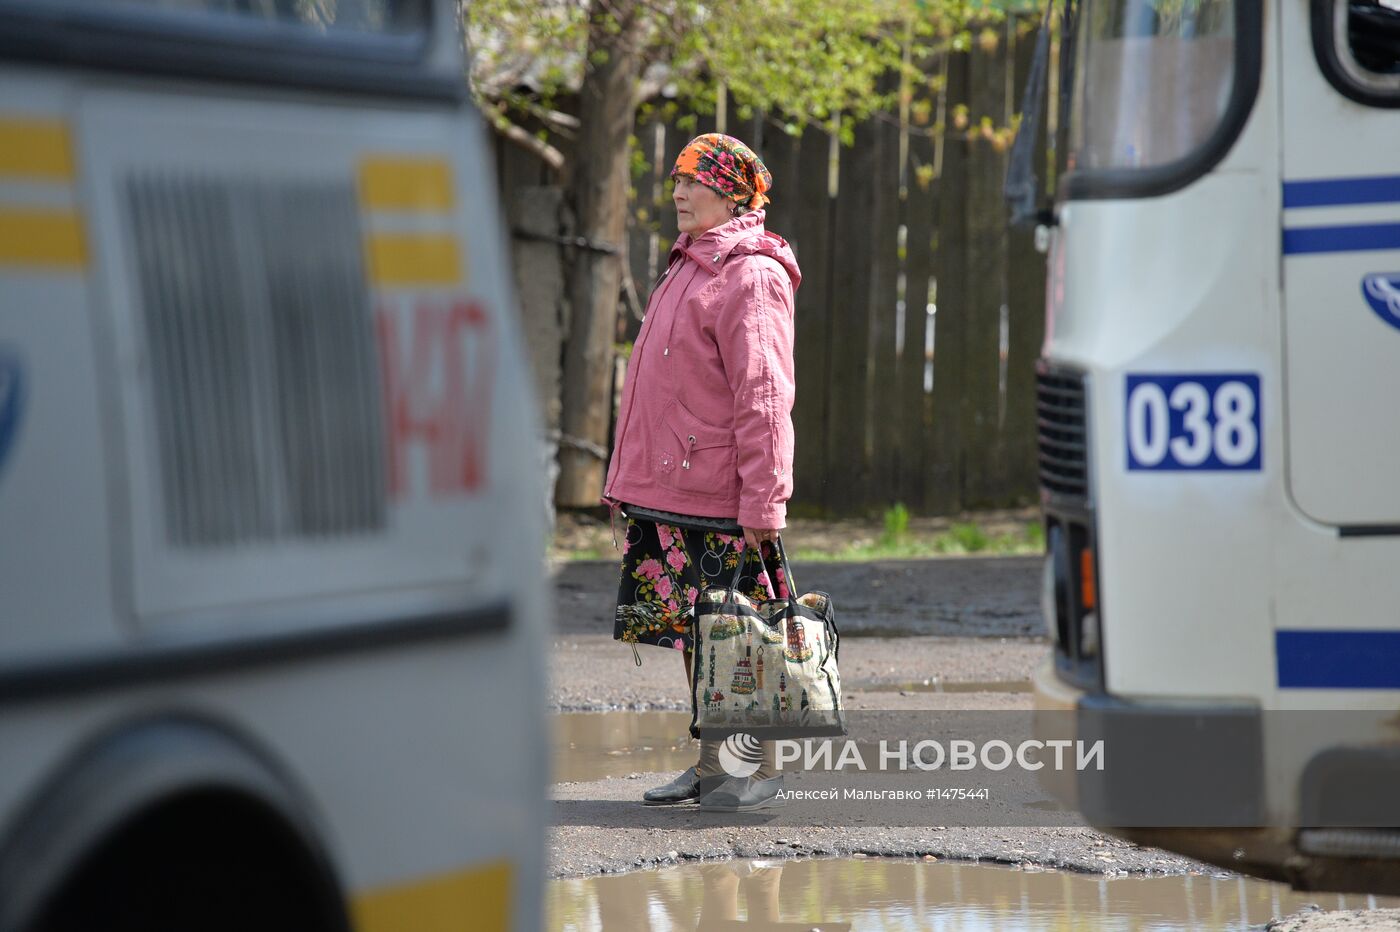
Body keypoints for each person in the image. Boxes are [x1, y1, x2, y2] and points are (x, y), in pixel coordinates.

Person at [602, 133, 800, 812]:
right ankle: (715, 765)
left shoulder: (753, 274)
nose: (680, 194)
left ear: (734, 193)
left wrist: (765, 502)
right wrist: (627, 482)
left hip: (722, 495)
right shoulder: (688, 265)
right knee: (697, 634)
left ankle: (757, 768)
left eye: (696, 182)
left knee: (736, 635)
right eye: (677, 182)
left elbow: (765, 397)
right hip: (672, 490)